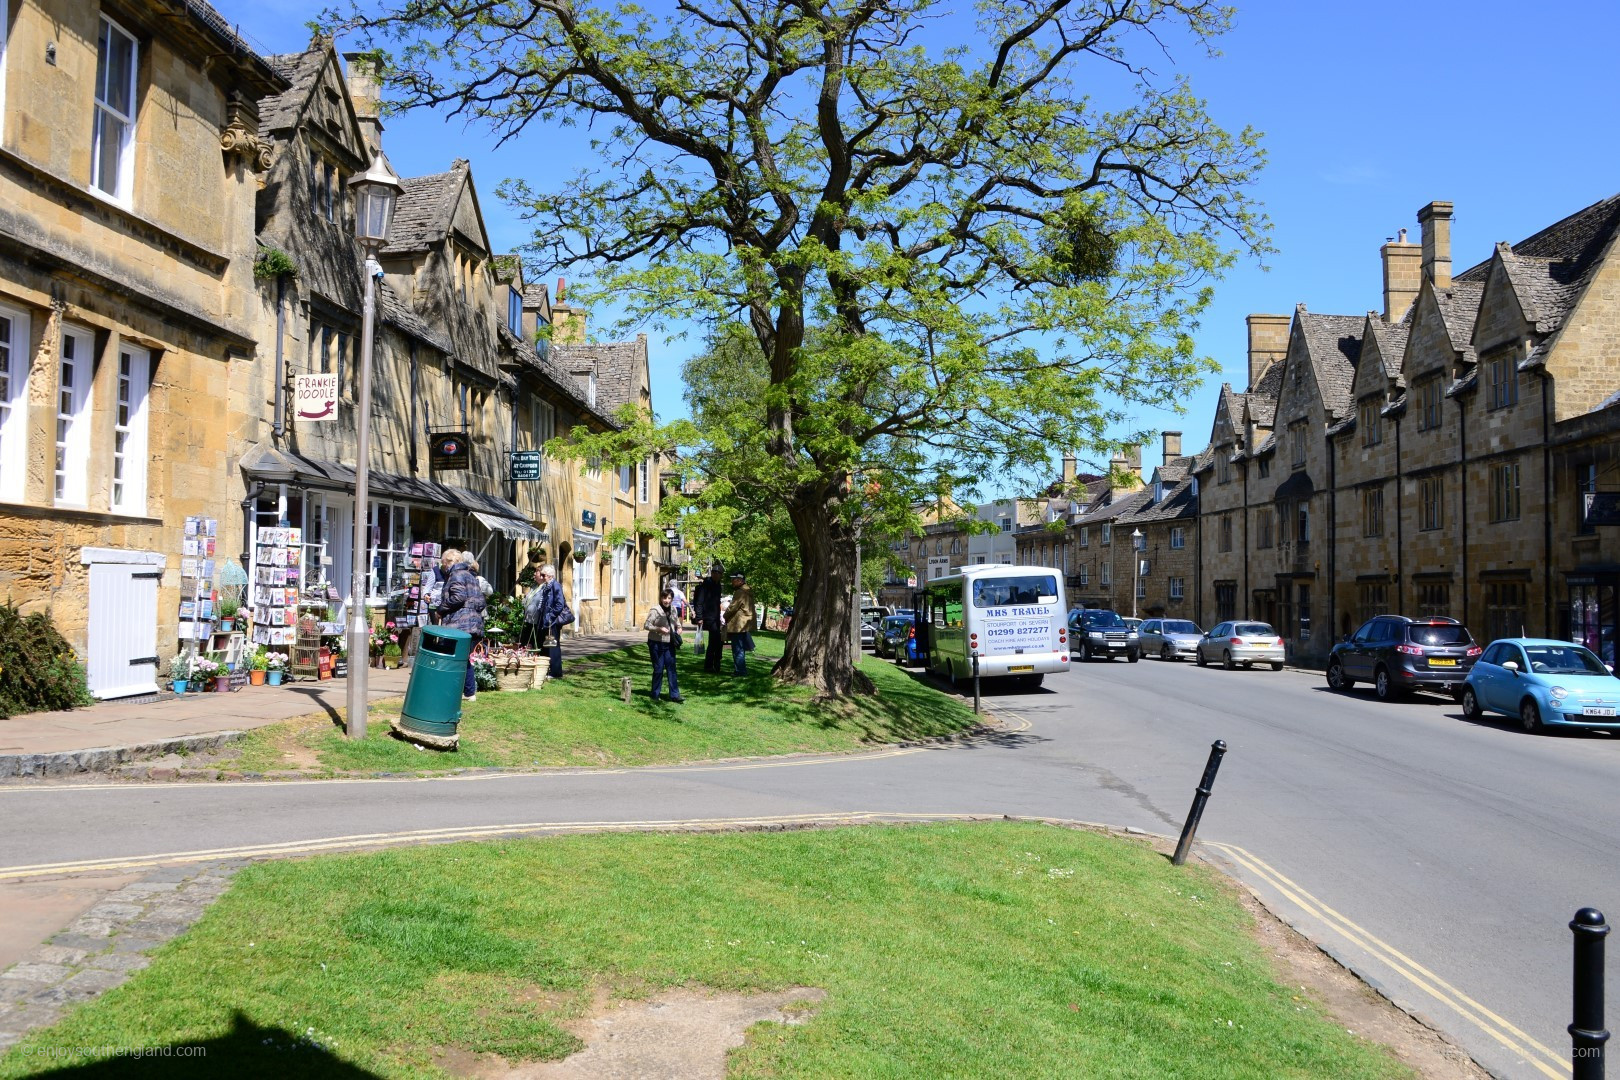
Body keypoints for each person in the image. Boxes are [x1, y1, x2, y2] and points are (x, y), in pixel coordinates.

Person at [438, 553, 487, 701]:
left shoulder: (456, 574)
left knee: (454, 658)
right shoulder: (470, 575)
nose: (443, 567)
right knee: (463, 659)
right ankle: (469, 692)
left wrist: (441, 609)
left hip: (459, 624)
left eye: (443, 563)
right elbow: (481, 602)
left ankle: (458, 691)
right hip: (473, 624)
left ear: (449, 562)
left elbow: (458, 597)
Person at [643, 587, 685, 703]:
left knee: (672, 669)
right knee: (658, 669)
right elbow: (646, 625)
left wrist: (680, 628)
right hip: (656, 643)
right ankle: (655, 694)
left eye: (669, 598)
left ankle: (675, 695)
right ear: (661, 598)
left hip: (670, 643)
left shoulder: (673, 610)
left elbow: (677, 622)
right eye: (664, 598)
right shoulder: (655, 610)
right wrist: (658, 629)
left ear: (672, 599)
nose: (666, 600)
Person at [530, 563, 571, 679]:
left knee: (553, 647)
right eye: (541, 575)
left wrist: (549, 616)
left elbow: (559, 604)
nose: (542, 577)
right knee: (546, 646)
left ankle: (556, 672)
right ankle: (547, 669)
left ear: (549, 575)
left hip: (551, 623)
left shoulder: (555, 585)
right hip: (545, 622)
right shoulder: (547, 586)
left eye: (543, 575)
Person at [693, 564, 725, 673]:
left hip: (715, 617)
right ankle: (710, 664)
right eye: (715, 573)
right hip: (708, 617)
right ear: (713, 574)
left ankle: (715, 662)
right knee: (714, 641)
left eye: (719, 574)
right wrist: (699, 617)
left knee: (717, 641)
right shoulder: (706, 585)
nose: (717, 575)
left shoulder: (718, 585)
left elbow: (717, 602)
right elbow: (699, 602)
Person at [724, 569, 757, 675]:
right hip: (745, 624)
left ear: (740, 580)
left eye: (733, 579)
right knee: (741, 648)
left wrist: (724, 616)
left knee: (737, 648)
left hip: (738, 624)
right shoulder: (748, 591)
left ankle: (740, 671)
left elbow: (732, 607)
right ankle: (741, 670)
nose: (732, 582)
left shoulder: (740, 592)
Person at [426, 548, 462, 624]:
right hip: (436, 604)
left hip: (448, 608)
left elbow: (458, 597)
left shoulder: (457, 575)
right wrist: (426, 595)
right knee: (436, 628)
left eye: (445, 564)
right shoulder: (436, 570)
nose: (445, 566)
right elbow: (428, 587)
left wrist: (443, 608)